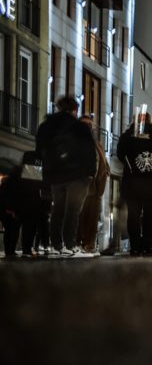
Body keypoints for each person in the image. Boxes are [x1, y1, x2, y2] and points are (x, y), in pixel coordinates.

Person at [35, 95, 99, 257]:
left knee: (57, 209)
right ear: (74, 110)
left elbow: (39, 150)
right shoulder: (79, 127)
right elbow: (89, 151)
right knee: (73, 210)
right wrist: (91, 172)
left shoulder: (46, 126)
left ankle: (56, 244)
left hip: (55, 175)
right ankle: (69, 244)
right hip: (77, 175)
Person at [116, 109, 152, 257]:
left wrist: (133, 168)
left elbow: (120, 154)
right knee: (150, 217)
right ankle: (147, 246)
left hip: (133, 183)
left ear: (135, 120)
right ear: (149, 120)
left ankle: (135, 247)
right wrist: (151, 168)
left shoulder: (127, 136)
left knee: (133, 216)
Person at [0, 151, 51, 258]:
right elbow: (42, 190)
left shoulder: (17, 170)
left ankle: (11, 251)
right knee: (27, 230)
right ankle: (24, 250)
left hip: (19, 206)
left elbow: (9, 188)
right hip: (28, 207)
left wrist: (9, 207)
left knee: (12, 231)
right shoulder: (35, 171)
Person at [76, 114, 110, 254]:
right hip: (81, 188)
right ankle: (77, 244)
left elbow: (104, 164)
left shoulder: (98, 145)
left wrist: (105, 172)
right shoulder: (76, 143)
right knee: (79, 219)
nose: (90, 128)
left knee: (92, 220)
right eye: (86, 125)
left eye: (91, 126)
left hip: (96, 190)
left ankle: (89, 244)